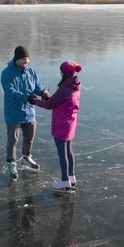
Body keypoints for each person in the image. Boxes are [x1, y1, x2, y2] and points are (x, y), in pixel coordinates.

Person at [29, 61, 82, 193]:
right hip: (70, 123)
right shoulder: (73, 86)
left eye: (61, 71)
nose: (59, 72)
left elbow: (50, 105)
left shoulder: (64, 89)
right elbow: (57, 101)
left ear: (64, 72)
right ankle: (71, 177)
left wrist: (34, 101)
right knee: (69, 151)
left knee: (62, 153)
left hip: (61, 124)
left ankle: (65, 181)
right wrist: (47, 98)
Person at [1, 46, 49, 180]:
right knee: (13, 140)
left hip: (29, 112)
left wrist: (42, 93)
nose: (26, 62)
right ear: (17, 59)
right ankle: (11, 163)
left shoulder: (31, 71)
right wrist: (26, 97)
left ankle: (26, 158)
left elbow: (37, 87)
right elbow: (10, 92)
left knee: (30, 137)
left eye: (27, 59)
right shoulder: (7, 73)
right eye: (23, 59)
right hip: (14, 112)